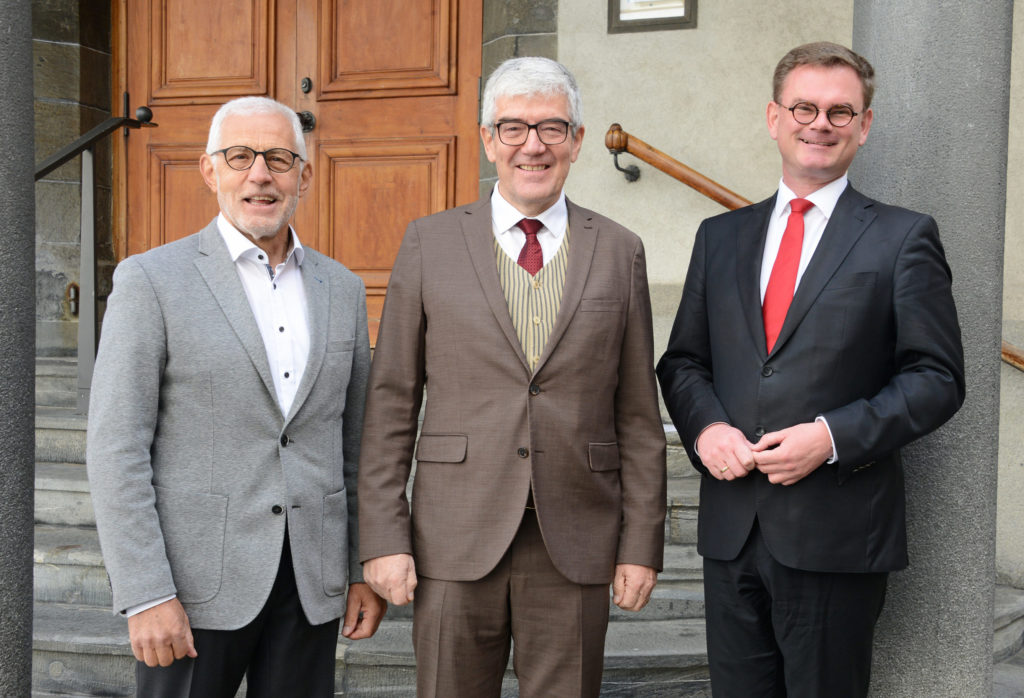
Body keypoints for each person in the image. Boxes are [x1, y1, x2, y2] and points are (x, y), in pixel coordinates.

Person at [657, 42, 966, 696]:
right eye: (804, 107)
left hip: (837, 534)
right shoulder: (721, 237)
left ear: (864, 126)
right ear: (775, 117)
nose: (819, 124)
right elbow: (684, 361)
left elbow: (936, 377)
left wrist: (829, 437)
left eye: (839, 111)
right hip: (732, 527)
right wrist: (706, 430)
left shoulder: (903, 238)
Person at [356, 56, 667, 697]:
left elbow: (638, 414)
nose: (534, 145)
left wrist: (641, 543)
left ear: (577, 141)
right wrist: (383, 536)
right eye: (514, 127)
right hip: (453, 534)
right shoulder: (428, 243)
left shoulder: (619, 249)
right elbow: (390, 403)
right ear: (487, 139)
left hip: (576, 535)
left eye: (552, 127)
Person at [85, 96, 386, 697]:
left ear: (303, 175)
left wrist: (359, 568)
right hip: (193, 590)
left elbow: (356, 445)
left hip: (311, 579)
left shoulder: (343, 289)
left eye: (278, 158)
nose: (260, 174)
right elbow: (117, 448)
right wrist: (145, 592)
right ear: (210, 170)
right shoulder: (151, 281)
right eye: (240, 156)